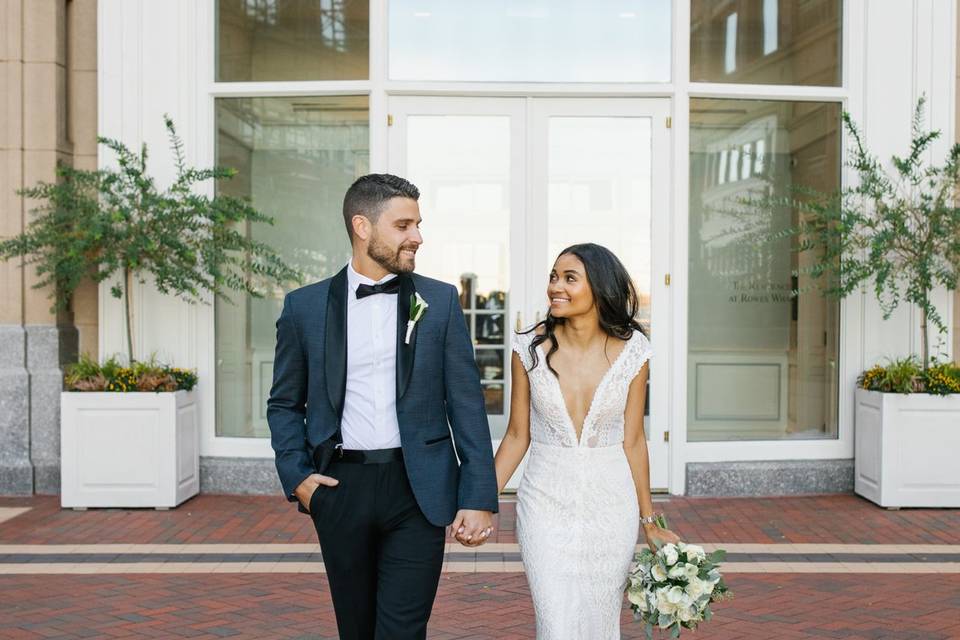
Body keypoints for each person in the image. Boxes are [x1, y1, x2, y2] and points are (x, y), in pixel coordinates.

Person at [267, 173, 498, 640]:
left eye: (418, 224)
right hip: (339, 486)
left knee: (402, 630)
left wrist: (477, 497)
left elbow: (467, 404)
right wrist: (297, 477)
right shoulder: (304, 307)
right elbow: (285, 404)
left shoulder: (440, 301)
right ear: (362, 227)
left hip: (419, 489)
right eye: (403, 225)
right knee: (356, 629)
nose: (417, 236)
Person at [493, 243, 681, 639]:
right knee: (554, 620)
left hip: (611, 506)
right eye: (553, 277)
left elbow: (633, 441)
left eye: (569, 278)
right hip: (544, 500)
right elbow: (516, 435)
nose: (555, 287)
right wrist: (477, 502)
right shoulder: (527, 349)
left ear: (599, 287)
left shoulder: (634, 352)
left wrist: (650, 523)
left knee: (600, 620)